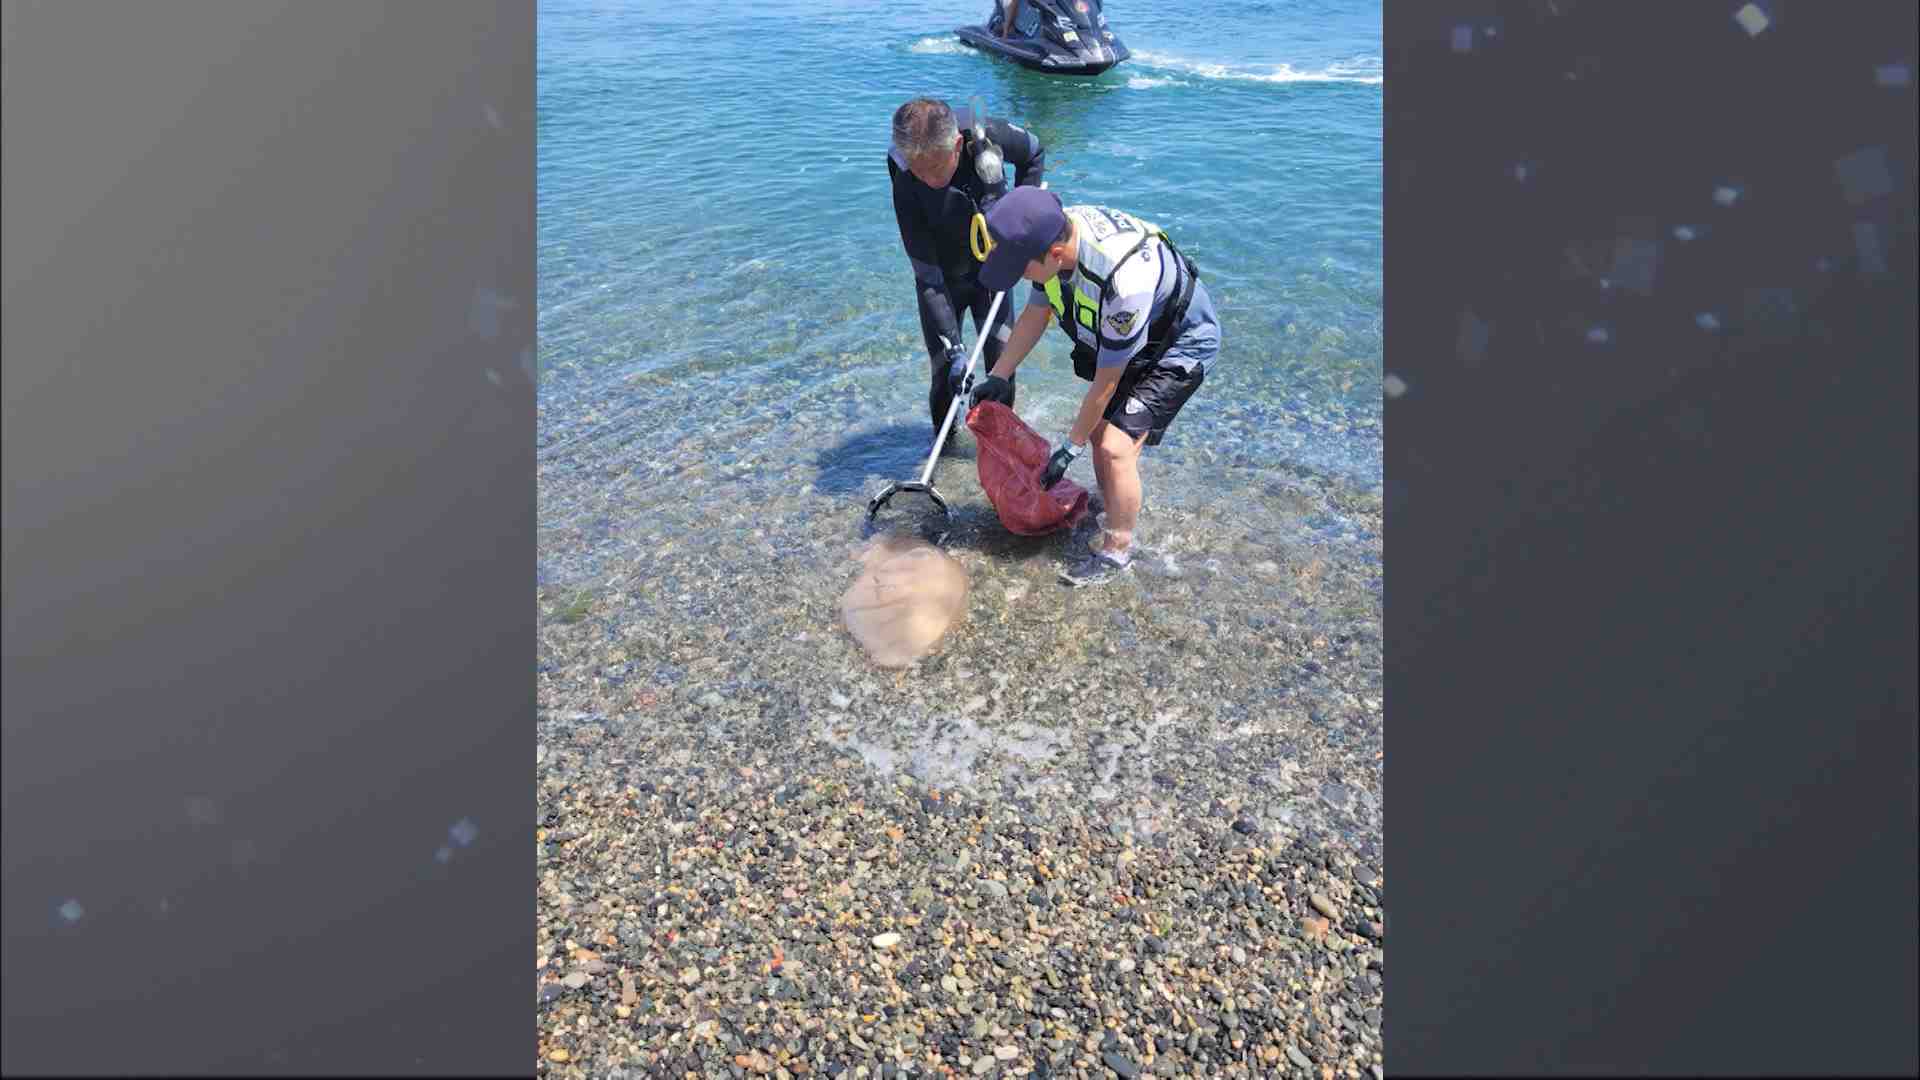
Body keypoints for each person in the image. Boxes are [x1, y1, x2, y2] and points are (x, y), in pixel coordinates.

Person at [968, 186, 1221, 587]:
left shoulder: (1123, 282)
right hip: (1130, 341)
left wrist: (1070, 449)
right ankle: (1110, 509)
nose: (1018, 277)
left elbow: (1106, 383)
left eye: (1020, 269)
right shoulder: (1048, 233)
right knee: (1101, 432)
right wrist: (999, 374)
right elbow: (1037, 311)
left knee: (1115, 447)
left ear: (1055, 254)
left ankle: (1117, 551)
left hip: (1178, 346)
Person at [889, 97, 1046, 454]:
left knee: (1001, 365)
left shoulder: (987, 137)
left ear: (958, 145)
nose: (929, 179)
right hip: (941, 276)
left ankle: (998, 455)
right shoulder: (902, 172)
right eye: (919, 170)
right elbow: (927, 277)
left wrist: (1024, 216)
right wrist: (955, 348)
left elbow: (1034, 153)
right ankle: (944, 454)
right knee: (944, 370)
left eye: (935, 167)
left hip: (992, 269)